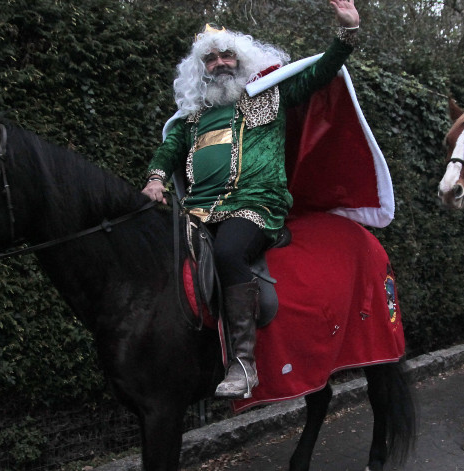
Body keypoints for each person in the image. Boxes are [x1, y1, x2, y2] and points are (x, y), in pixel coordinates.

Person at [141, 0, 362, 399]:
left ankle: (243, 364)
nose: (220, 62)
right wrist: (155, 179)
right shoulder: (192, 117)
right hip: (198, 209)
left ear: (241, 60)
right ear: (201, 68)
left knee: (228, 254)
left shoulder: (271, 96)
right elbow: (169, 151)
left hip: (256, 205)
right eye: (211, 58)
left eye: (227, 54)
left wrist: (345, 35)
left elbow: (319, 73)